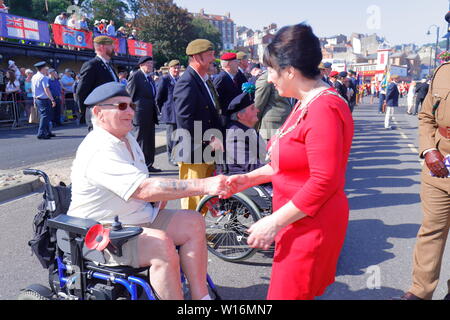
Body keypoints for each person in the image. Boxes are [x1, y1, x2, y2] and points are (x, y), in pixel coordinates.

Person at [68, 81, 231, 300]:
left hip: (137, 219)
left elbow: (144, 184)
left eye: (131, 106)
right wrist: (204, 185)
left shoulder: (126, 138)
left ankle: (201, 298)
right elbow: (143, 189)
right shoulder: (98, 148)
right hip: (102, 232)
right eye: (121, 106)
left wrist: (157, 199)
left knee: (193, 221)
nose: (130, 112)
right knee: (160, 243)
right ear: (98, 112)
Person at [226, 23, 354, 300]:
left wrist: (272, 223)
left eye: (271, 70)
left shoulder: (323, 108)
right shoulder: (305, 102)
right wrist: (245, 179)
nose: (269, 77)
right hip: (297, 220)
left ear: (289, 71)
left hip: (310, 225)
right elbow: (284, 164)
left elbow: (324, 180)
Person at [396, 60, 450, 301]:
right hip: (439, 166)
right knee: (431, 231)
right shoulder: (443, 72)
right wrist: (428, 149)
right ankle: (420, 292)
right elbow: (427, 116)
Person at [173, 39, 224, 211]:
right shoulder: (186, 82)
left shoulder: (202, 80)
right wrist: (209, 139)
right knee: (193, 198)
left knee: (203, 197)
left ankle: (197, 233)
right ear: (196, 57)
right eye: (210, 55)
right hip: (193, 151)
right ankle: (188, 236)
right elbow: (185, 120)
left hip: (203, 150)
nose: (213, 59)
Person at [217, 84, 267, 176]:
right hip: (243, 184)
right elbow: (252, 166)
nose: (257, 110)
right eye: (252, 108)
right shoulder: (235, 135)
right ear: (241, 115)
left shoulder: (246, 129)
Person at [76, 35, 119, 131]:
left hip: (111, 113)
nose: (113, 48)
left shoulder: (109, 66)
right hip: (99, 114)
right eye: (111, 45)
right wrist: (87, 112)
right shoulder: (92, 65)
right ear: (102, 47)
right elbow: (81, 92)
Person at [127, 56, 161, 173]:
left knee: (149, 141)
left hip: (150, 114)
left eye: (152, 64)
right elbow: (130, 96)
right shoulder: (136, 76)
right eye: (149, 64)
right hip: (139, 114)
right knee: (140, 140)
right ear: (141, 65)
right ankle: (138, 166)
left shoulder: (149, 78)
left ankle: (149, 164)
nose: (151, 66)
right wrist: (129, 113)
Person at [254, 70, 295, 141]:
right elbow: (258, 106)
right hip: (270, 130)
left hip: (287, 128)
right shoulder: (266, 78)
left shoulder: (291, 77)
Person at [156, 59, 181, 166]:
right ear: (169, 68)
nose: (176, 70)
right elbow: (159, 97)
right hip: (170, 113)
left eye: (178, 68)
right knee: (171, 136)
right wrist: (161, 110)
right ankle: (171, 157)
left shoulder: (180, 79)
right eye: (174, 68)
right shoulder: (165, 79)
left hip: (179, 112)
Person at [213, 52, 243, 125]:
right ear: (228, 64)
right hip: (226, 119)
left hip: (234, 117)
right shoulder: (221, 78)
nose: (238, 64)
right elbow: (215, 100)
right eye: (235, 62)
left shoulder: (234, 76)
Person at [31, 61, 56, 140]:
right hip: (44, 99)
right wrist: (52, 99)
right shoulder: (43, 77)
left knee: (46, 116)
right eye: (45, 68)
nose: (46, 70)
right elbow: (46, 89)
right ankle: (41, 133)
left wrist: (34, 99)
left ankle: (47, 132)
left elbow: (33, 89)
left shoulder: (34, 77)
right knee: (45, 116)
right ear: (42, 68)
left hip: (38, 99)